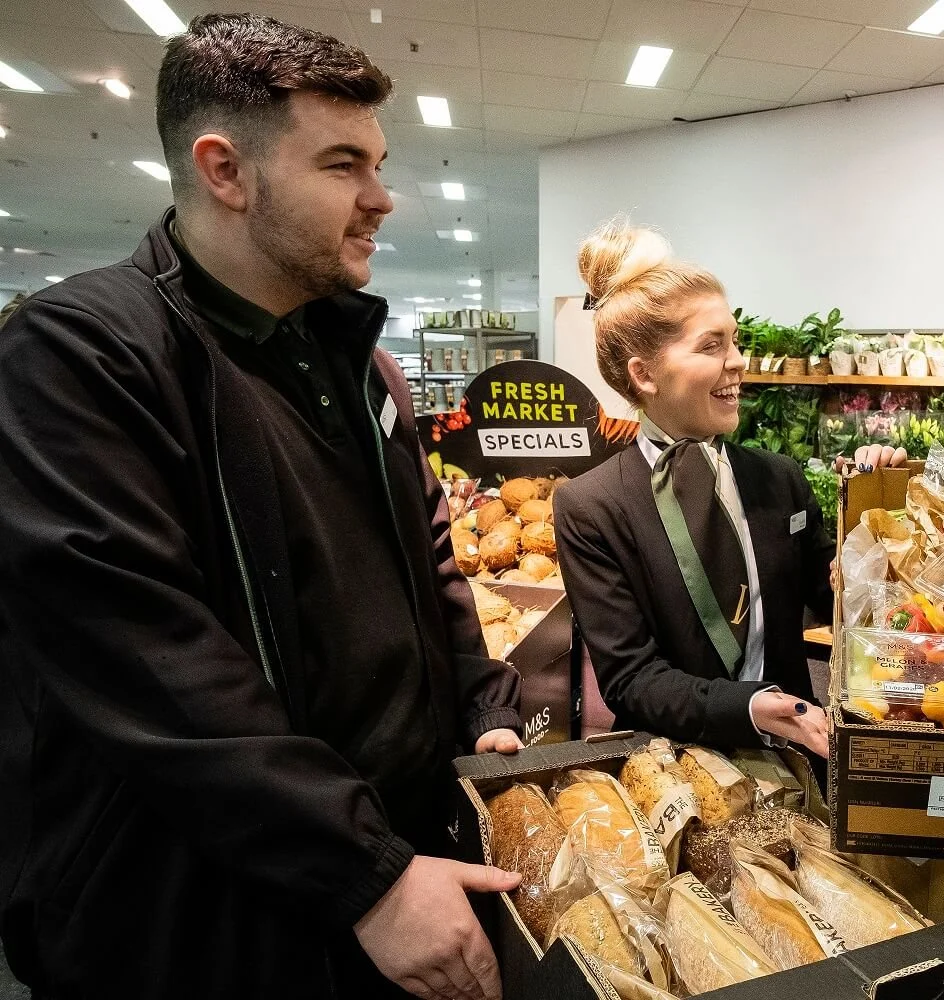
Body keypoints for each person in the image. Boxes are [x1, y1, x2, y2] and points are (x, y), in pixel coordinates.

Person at [0, 14, 527, 1000]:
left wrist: (482, 702)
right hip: (196, 922)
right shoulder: (83, 354)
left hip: (376, 878)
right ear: (225, 170)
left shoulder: (365, 371)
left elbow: (432, 568)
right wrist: (366, 875)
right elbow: (151, 660)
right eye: (342, 164)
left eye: (377, 161)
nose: (382, 197)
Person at [554, 221, 838, 758]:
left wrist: (876, 508)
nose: (737, 362)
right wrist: (751, 708)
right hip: (679, 772)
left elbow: (834, 597)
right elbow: (631, 679)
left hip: (804, 757)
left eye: (734, 341)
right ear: (644, 375)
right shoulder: (592, 508)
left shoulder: (779, 479)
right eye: (711, 346)